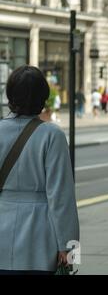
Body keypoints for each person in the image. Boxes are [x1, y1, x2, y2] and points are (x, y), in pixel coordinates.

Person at [0, 66, 79, 274]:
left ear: (10, 95)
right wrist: (71, 251)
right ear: (42, 98)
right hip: (39, 242)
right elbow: (62, 198)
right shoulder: (52, 135)